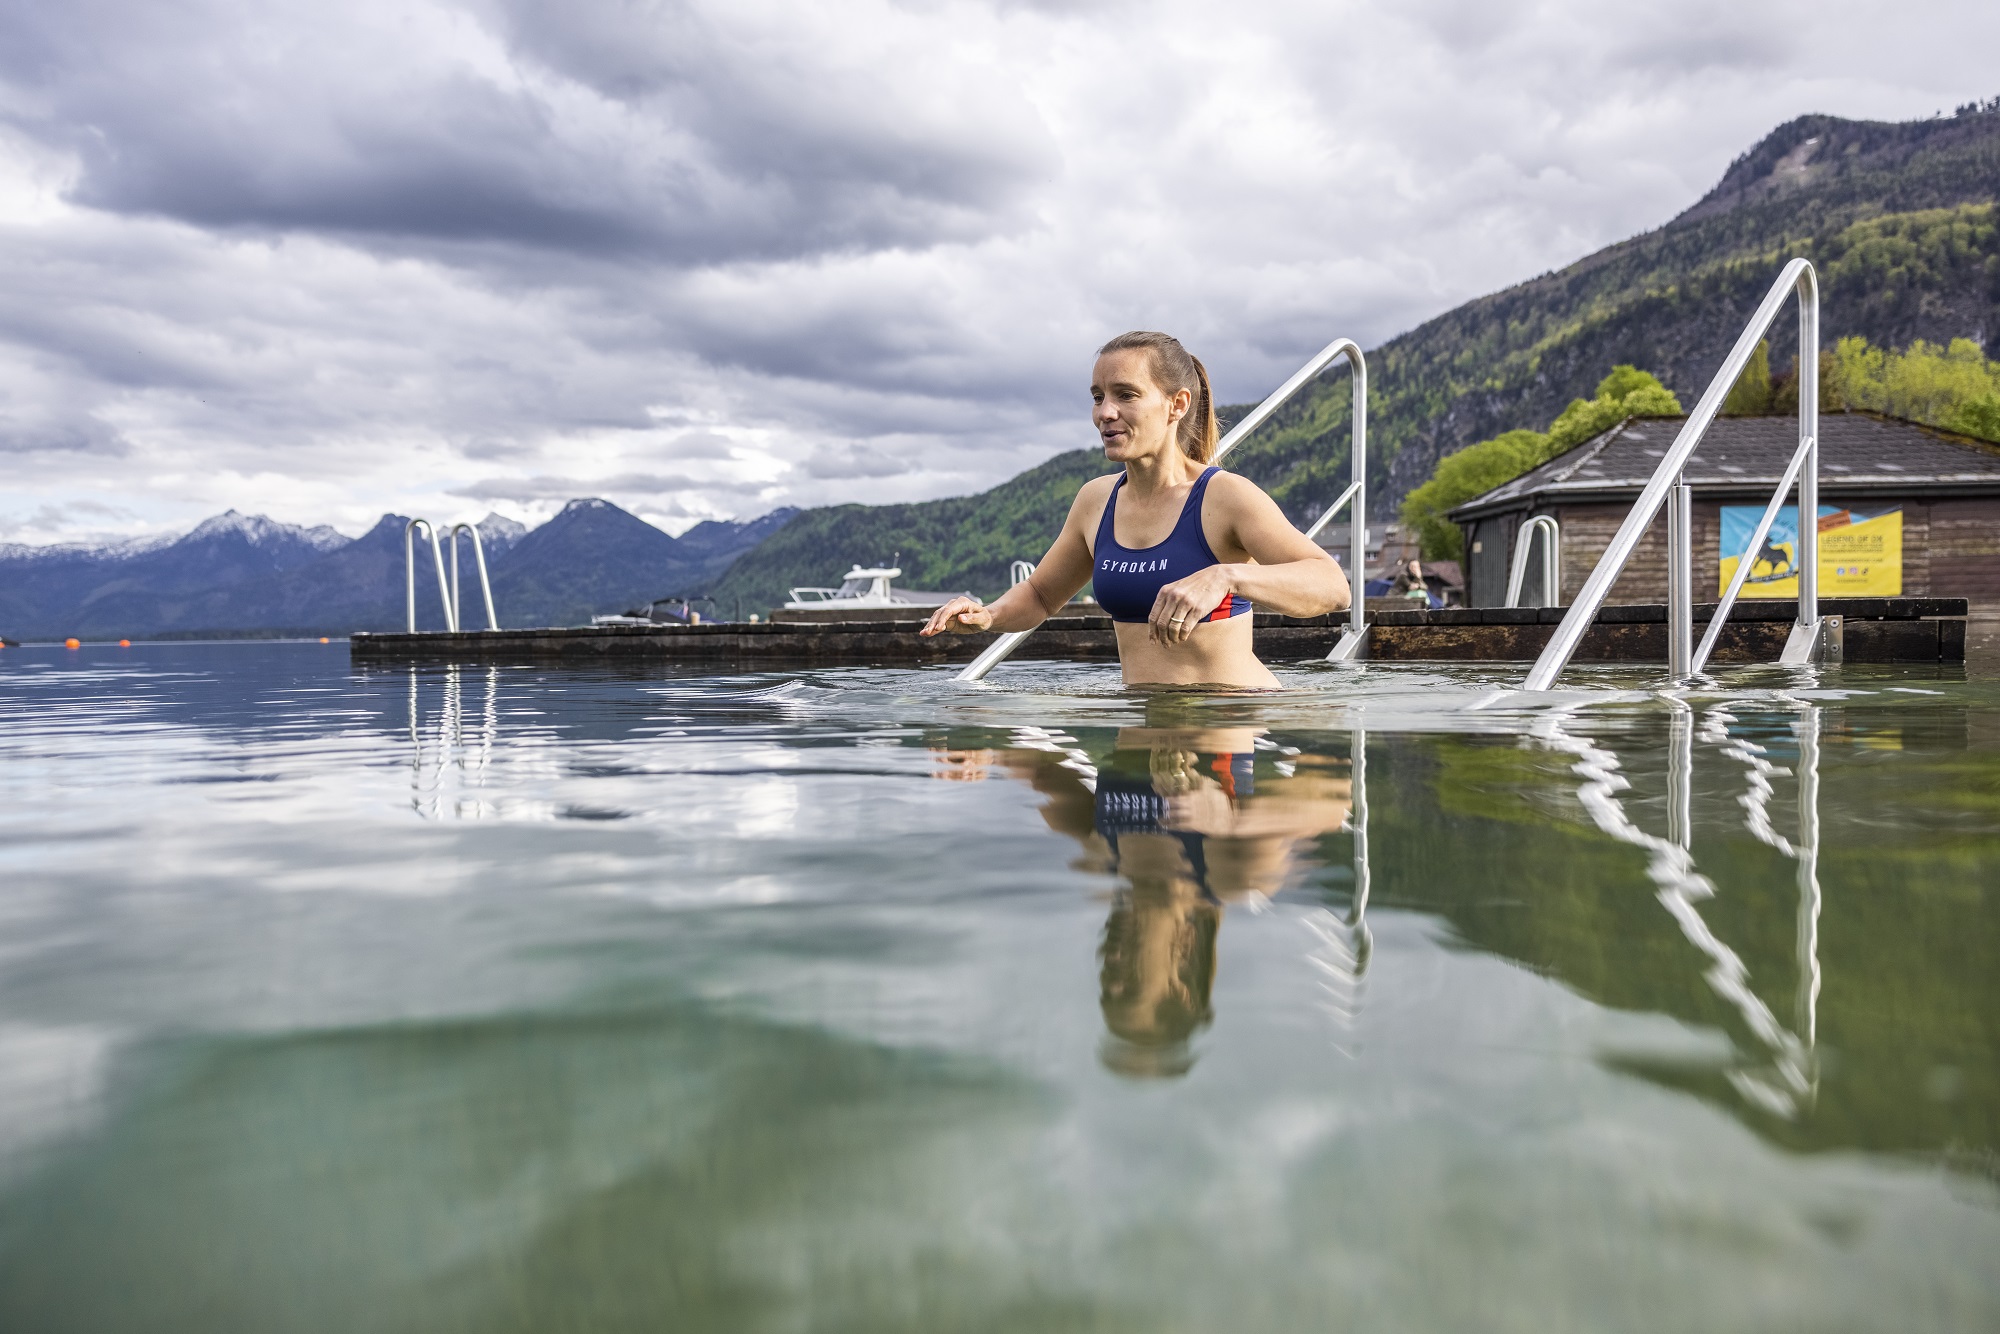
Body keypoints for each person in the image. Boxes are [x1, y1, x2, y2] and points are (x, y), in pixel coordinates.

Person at [919, 332, 1350, 688]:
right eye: (1098, 396)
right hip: (1142, 723)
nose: (1105, 413)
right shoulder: (1096, 500)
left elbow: (1332, 586)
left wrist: (1226, 575)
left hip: (1226, 730)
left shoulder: (1223, 497)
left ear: (1176, 405)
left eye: (1126, 395)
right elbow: (1041, 595)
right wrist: (988, 615)